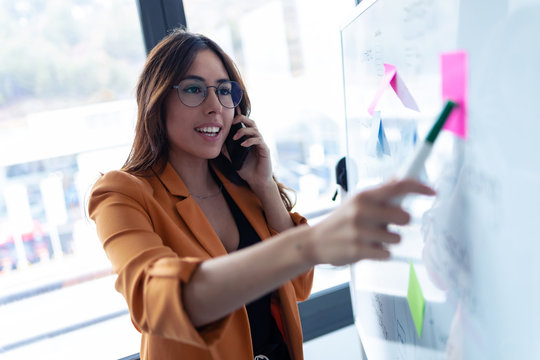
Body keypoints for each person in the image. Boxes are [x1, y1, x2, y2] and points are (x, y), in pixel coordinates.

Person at [88, 28, 435, 360]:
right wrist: (310, 243)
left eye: (225, 90)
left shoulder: (242, 184)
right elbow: (155, 300)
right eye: (194, 90)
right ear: (157, 99)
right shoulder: (121, 193)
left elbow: (300, 284)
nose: (215, 106)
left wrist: (265, 186)